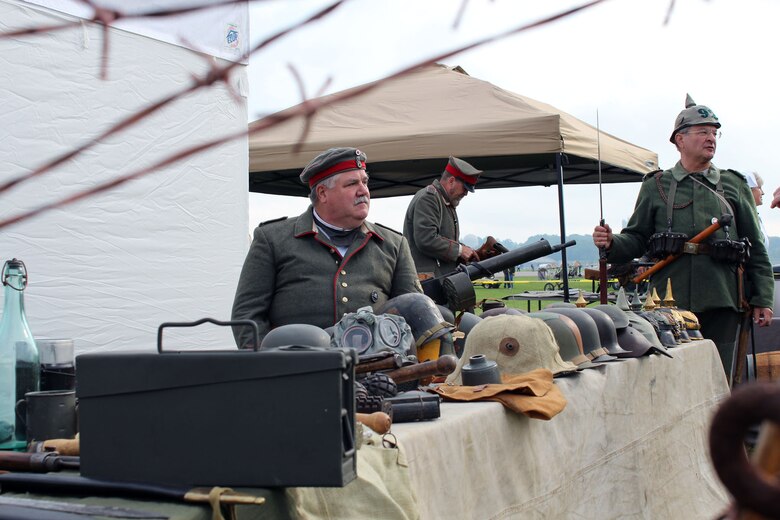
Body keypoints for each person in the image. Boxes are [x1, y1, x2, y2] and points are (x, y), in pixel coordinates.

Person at [592, 95, 774, 378]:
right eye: (703, 132)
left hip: (722, 298)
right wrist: (612, 243)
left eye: (714, 133)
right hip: (667, 302)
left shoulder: (733, 185)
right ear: (680, 140)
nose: (711, 138)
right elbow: (637, 237)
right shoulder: (656, 185)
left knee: (720, 376)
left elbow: (756, 247)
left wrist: (763, 297)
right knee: (674, 377)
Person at [231, 147, 422, 348]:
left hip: (378, 375)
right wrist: (271, 368)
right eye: (352, 184)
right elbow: (246, 317)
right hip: (299, 373)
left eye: (364, 182)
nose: (363, 191)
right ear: (322, 193)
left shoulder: (393, 244)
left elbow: (414, 312)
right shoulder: (272, 240)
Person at [403, 156, 481, 280]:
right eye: (465, 188)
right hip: (427, 281)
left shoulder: (445, 202)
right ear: (451, 181)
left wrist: (466, 251)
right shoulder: (429, 198)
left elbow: (445, 240)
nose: (466, 193)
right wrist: (460, 250)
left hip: (437, 279)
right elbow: (426, 239)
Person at [744, 171, 770, 246]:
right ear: (749, 190)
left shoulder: (755, 216)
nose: (763, 192)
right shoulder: (744, 217)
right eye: (759, 188)